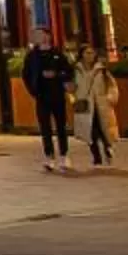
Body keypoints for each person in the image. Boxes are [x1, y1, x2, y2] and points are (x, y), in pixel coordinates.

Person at [23, 31, 77, 173]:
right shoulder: (32, 56)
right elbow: (26, 75)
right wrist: (33, 91)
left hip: (58, 95)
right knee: (45, 127)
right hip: (41, 97)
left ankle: (64, 155)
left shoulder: (58, 54)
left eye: (45, 35)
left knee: (61, 126)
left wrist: (57, 75)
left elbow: (69, 71)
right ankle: (49, 157)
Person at [76, 44, 120, 168]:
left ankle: (108, 148)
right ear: (81, 55)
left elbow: (111, 85)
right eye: (87, 53)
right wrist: (74, 99)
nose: (90, 56)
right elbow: (73, 87)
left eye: (92, 53)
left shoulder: (102, 69)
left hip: (101, 104)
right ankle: (96, 158)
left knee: (103, 129)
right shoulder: (77, 70)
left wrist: (111, 97)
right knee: (90, 133)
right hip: (85, 105)